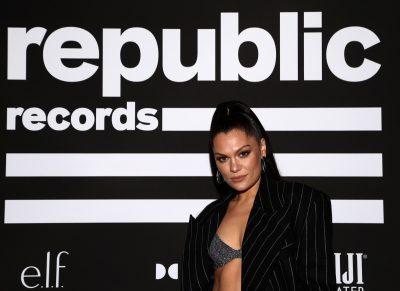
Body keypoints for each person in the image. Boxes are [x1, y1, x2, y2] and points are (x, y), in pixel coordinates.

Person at [180, 100, 336, 291]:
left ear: (262, 147)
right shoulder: (208, 218)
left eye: (243, 153)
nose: (234, 167)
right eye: (223, 158)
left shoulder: (301, 202)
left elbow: (317, 286)